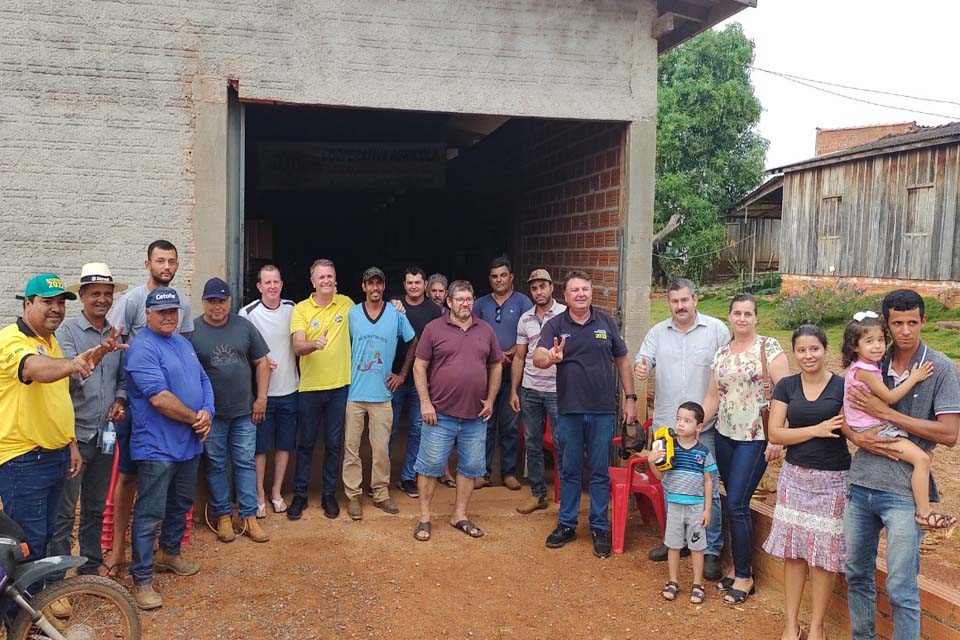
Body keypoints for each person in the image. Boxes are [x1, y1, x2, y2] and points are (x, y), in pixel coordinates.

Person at [842, 289, 960, 640]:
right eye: (897, 323)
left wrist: (887, 414)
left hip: (903, 492)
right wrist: (856, 437)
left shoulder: (939, 368)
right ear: (886, 324)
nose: (905, 330)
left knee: (901, 585)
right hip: (862, 483)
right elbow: (844, 414)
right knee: (856, 573)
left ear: (924, 321)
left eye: (912, 322)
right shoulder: (872, 357)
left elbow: (950, 434)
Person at [0, 274, 114, 569]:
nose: (56, 309)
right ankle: (20, 612)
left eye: (61, 303)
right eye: (47, 302)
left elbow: (57, 400)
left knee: (49, 536)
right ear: (27, 303)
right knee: (27, 544)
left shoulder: (49, 342)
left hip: (56, 454)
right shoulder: (12, 339)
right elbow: (32, 369)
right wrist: (71, 363)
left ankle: (43, 599)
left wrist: (71, 444)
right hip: (23, 460)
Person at [103, 239, 194, 574]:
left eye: (172, 261)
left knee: (167, 485)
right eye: (160, 260)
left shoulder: (181, 300)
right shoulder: (132, 301)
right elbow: (112, 350)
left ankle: (165, 550)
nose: (166, 266)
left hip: (173, 413)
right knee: (128, 477)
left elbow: (183, 352)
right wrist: (118, 396)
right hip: (134, 402)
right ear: (148, 264)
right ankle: (117, 549)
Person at [536, 270, 638, 558]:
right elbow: (538, 356)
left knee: (598, 470)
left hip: (603, 411)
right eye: (574, 290)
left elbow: (623, 362)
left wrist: (631, 399)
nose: (580, 294)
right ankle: (566, 524)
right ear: (565, 296)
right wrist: (551, 358)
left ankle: (598, 526)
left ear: (591, 293)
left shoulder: (606, 322)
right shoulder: (555, 325)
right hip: (568, 410)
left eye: (585, 289)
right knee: (568, 469)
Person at [122, 288, 213, 610]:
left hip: (188, 444)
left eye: (173, 311)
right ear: (147, 313)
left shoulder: (182, 343)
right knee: (149, 515)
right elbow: (159, 398)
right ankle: (142, 579)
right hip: (157, 448)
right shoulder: (142, 348)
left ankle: (169, 553)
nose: (168, 316)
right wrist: (195, 419)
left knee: (182, 503)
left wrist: (207, 414)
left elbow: (204, 382)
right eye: (161, 311)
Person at [634, 277, 729, 579]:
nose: (680, 306)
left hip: (706, 427)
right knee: (669, 483)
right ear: (669, 303)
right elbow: (643, 359)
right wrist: (641, 366)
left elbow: (728, 367)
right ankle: (676, 541)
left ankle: (711, 549)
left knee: (707, 489)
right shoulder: (657, 333)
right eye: (674, 302)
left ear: (695, 300)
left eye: (684, 300)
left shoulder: (716, 330)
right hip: (668, 426)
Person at [701, 293, 789, 604]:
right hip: (725, 435)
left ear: (756, 318)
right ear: (729, 316)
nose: (742, 318)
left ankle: (745, 575)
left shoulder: (769, 348)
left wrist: (778, 436)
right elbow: (714, 397)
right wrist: (696, 420)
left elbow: (786, 393)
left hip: (756, 436)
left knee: (737, 502)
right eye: (736, 313)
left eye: (747, 313)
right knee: (732, 501)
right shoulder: (722, 353)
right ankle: (740, 568)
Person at [764, 324, 849, 640]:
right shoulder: (786, 386)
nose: (808, 355)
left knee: (824, 556)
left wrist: (802, 432)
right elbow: (775, 433)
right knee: (795, 552)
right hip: (795, 477)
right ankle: (791, 624)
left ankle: (817, 627)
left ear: (826, 351)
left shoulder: (842, 386)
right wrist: (817, 428)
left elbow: (850, 427)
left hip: (834, 479)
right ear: (794, 353)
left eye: (814, 349)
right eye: (801, 350)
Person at [49, 264, 129, 586]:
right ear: (81, 296)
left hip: (105, 436)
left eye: (107, 294)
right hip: (74, 437)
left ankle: (89, 568)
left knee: (96, 507)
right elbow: (70, 375)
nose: (102, 299)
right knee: (65, 512)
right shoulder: (66, 333)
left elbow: (122, 378)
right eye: (95, 293)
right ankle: (56, 580)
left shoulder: (115, 332)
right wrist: (100, 352)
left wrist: (120, 401)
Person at [841, 312, 951, 529]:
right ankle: (923, 512)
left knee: (918, 453)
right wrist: (914, 378)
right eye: (869, 341)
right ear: (855, 346)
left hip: (868, 423)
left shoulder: (863, 367)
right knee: (922, 460)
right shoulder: (865, 372)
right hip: (873, 426)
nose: (877, 346)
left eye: (881, 340)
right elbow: (890, 397)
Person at [411, 280, 502, 542]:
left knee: (470, 467)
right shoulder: (433, 329)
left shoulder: (485, 330)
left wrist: (492, 399)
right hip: (439, 414)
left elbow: (496, 365)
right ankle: (425, 518)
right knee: (429, 467)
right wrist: (425, 403)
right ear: (449, 302)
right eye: (459, 299)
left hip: (476, 415)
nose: (465, 303)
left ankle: (459, 515)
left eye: (469, 299)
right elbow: (419, 366)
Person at [190, 278, 271, 543]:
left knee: (245, 462)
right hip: (211, 415)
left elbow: (261, 362)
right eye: (212, 301)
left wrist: (261, 398)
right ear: (203, 302)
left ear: (230, 302)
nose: (217, 306)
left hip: (244, 411)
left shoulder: (244, 326)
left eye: (222, 301)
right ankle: (223, 517)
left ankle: (248, 517)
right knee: (215, 464)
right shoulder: (192, 331)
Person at [344, 267, 414, 520]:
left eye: (379, 284)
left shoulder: (395, 314)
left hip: (383, 395)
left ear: (384, 287)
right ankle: (353, 496)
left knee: (381, 448)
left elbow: (413, 340)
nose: (375, 288)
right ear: (363, 287)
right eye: (370, 284)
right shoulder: (352, 313)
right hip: (354, 392)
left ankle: (380, 493)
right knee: (351, 447)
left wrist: (402, 374)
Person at [288, 258, 353, 520]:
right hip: (310, 388)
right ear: (312, 281)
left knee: (334, 444)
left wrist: (395, 304)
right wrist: (314, 344)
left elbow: (374, 312)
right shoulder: (301, 309)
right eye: (321, 277)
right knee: (305, 443)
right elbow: (297, 347)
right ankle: (300, 495)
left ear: (335, 280)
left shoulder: (347, 304)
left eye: (330, 276)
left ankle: (329, 494)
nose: (326, 281)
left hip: (339, 387)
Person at [239, 265, 299, 516]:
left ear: (281, 284)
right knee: (260, 448)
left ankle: (276, 491)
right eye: (267, 282)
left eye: (276, 281)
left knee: (284, 445)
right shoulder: (248, 313)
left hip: (290, 389)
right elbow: (240, 349)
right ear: (259, 287)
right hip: (262, 394)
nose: (272, 286)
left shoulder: (293, 308)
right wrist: (259, 361)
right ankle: (259, 494)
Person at [508, 268, 565, 514]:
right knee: (533, 443)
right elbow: (520, 357)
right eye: (534, 288)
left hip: (558, 391)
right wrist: (514, 390)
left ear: (552, 287)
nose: (539, 292)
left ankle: (565, 495)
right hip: (531, 389)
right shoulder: (525, 319)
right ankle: (538, 494)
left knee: (564, 443)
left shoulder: (565, 314)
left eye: (543, 286)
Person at [473, 256, 532, 489]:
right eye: (495, 276)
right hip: (486, 373)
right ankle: (482, 472)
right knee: (484, 424)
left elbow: (530, 333)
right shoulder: (480, 304)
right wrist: (494, 356)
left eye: (503, 275)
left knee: (509, 424)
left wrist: (508, 353)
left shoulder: (523, 302)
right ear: (490, 279)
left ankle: (508, 473)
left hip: (513, 373)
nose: (499, 280)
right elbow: (474, 332)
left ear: (511, 277)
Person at [647, 401, 715, 605]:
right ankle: (673, 580)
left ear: (699, 427)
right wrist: (651, 461)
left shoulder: (703, 452)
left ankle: (697, 583)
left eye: (687, 420)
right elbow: (659, 477)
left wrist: (707, 510)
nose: (680, 424)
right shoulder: (668, 449)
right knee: (673, 545)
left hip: (696, 507)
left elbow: (708, 481)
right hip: (674, 505)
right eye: (678, 419)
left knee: (697, 547)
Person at [388, 266, 441, 499]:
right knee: (387, 430)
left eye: (417, 283)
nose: (413, 287)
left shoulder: (434, 311)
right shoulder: (394, 305)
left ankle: (408, 477)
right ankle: (382, 478)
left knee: (418, 430)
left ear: (425, 285)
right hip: (393, 379)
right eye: (409, 283)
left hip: (422, 381)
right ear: (404, 284)